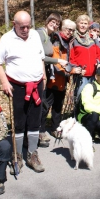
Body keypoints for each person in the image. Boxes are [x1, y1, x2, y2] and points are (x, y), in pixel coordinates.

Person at [0, 10, 46, 174]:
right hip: (17, 87)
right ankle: (17, 155)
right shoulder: (6, 39)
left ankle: (32, 153)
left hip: (36, 85)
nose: (25, 30)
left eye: (28, 26)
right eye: (22, 27)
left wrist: (43, 76)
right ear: (14, 25)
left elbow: (41, 58)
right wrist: (4, 82)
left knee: (34, 121)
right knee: (19, 122)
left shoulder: (35, 36)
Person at [45, 19, 81, 138]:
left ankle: (55, 128)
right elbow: (55, 63)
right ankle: (39, 130)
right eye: (68, 29)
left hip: (63, 80)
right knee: (46, 105)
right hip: (53, 79)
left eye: (72, 30)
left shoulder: (69, 42)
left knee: (58, 105)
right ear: (62, 29)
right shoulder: (56, 40)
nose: (70, 32)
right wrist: (71, 71)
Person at [37, 13, 67, 147]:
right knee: (44, 103)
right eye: (52, 22)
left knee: (52, 103)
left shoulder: (51, 36)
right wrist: (58, 60)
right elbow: (39, 56)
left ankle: (48, 129)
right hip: (39, 73)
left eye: (57, 24)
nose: (54, 25)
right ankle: (40, 130)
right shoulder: (39, 34)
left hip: (49, 72)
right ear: (47, 21)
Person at [70, 15, 100, 98]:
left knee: (92, 97)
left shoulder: (93, 38)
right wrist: (77, 69)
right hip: (81, 75)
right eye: (81, 23)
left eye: (85, 23)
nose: (83, 25)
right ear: (77, 24)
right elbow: (71, 58)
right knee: (80, 97)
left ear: (88, 25)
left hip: (94, 75)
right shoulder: (73, 39)